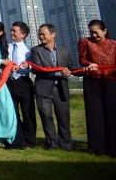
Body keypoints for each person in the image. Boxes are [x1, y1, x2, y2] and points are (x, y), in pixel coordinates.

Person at [31, 23, 75, 151]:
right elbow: (37, 69)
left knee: (64, 117)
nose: (40, 36)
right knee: (46, 116)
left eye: (43, 34)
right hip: (43, 89)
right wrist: (58, 72)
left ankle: (66, 144)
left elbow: (71, 67)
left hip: (61, 88)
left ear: (53, 34)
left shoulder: (64, 51)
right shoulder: (36, 50)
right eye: (39, 34)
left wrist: (70, 72)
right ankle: (52, 144)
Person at [78, 19, 116, 157]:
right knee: (94, 114)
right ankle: (96, 147)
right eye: (91, 32)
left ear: (104, 31)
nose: (93, 35)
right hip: (92, 81)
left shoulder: (114, 44)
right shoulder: (84, 42)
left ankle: (113, 147)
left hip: (111, 81)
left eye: (96, 32)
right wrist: (89, 63)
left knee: (112, 114)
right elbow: (82, 59)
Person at [7, 21, 36, 149]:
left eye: (15, 31)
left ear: (23, 34)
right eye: (11, 30)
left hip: (23, 82)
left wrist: (27, 66)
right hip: (8, 82)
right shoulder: (6, 48)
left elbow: (33, 68)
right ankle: (16, 140)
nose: (11, 33)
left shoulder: (29, 50)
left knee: (28, 113)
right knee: (12, 113)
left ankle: (30, 141)